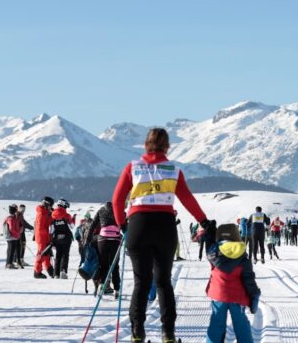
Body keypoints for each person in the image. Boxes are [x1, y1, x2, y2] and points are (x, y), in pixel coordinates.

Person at [112, 128, 212, 343]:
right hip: (165, 226)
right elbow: (187, 199)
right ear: (167, 146)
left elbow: (117, 200)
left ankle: (137, 332)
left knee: (141, 282)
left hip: (138, 225)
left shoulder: (133, 167)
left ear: (145, 145)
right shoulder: (173, 170)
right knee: (163, 282)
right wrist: (203, 221)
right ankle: (168, 333)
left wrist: (122, 224)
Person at [204, 224, 260, 343]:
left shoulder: (212, 252)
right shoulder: (243, 257)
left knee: (216, 324)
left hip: (218, 295)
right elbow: (249, 281)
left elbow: (208, 243)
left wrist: (210, 230)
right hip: (237, 298)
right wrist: (254, 295)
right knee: (241, 326)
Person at [89, 202, 122, 298]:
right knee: (115, 265)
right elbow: (124, 222)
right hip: (115, 239)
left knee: (104, 265)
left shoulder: (101, 210)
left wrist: (87, 240)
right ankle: (117, 289)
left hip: (102, 239)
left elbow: (93, 225)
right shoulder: (117, 210)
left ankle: (102, 286)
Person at [51, 198, 74, 279]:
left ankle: (56, 274)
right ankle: (63, 271)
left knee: (58, 255)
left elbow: (51, 229)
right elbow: (72, 226)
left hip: (57, 238)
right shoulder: (67, 216)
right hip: (66, 237)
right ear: (64, 205)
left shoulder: (52, 215)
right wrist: (73, 220)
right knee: (65, 255)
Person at [33, 196, 55, 279]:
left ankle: (50, 269)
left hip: (44, 236)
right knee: (41, 254)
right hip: (42, 237)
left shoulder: (45, 212)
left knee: (46, 254)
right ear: (47, 204)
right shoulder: (42, 213)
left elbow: (48, 222)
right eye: (50, 206)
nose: (51, 207)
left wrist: (51, 215)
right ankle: (37, 272)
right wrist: (48, 238)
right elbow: (40, 228)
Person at [4, 204, 23, 269]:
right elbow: (12, 228)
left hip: (12, 236)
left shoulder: (13, 218)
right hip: (12, 236)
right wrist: (18, 234)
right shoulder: (11, 219)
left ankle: (9, 263)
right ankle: (9, 264)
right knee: (11, 250)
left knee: (11, 250)